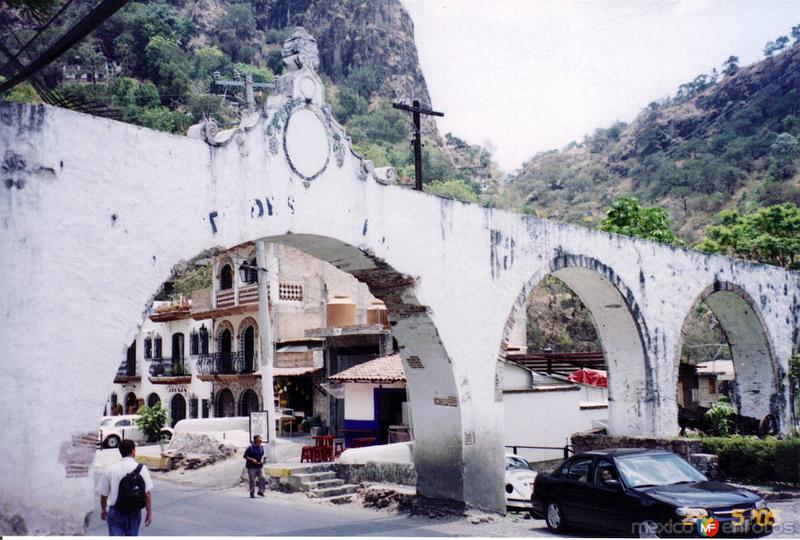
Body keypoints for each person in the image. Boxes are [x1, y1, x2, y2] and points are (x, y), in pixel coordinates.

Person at [98, 439, 153, 536]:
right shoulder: (142, 469)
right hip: (134, 512)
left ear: (120, 452)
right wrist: (149, 513)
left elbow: (104, 494)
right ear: (133, 450)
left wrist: (103, 509)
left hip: (116, 511)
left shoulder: (111, 469)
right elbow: (147, 494)